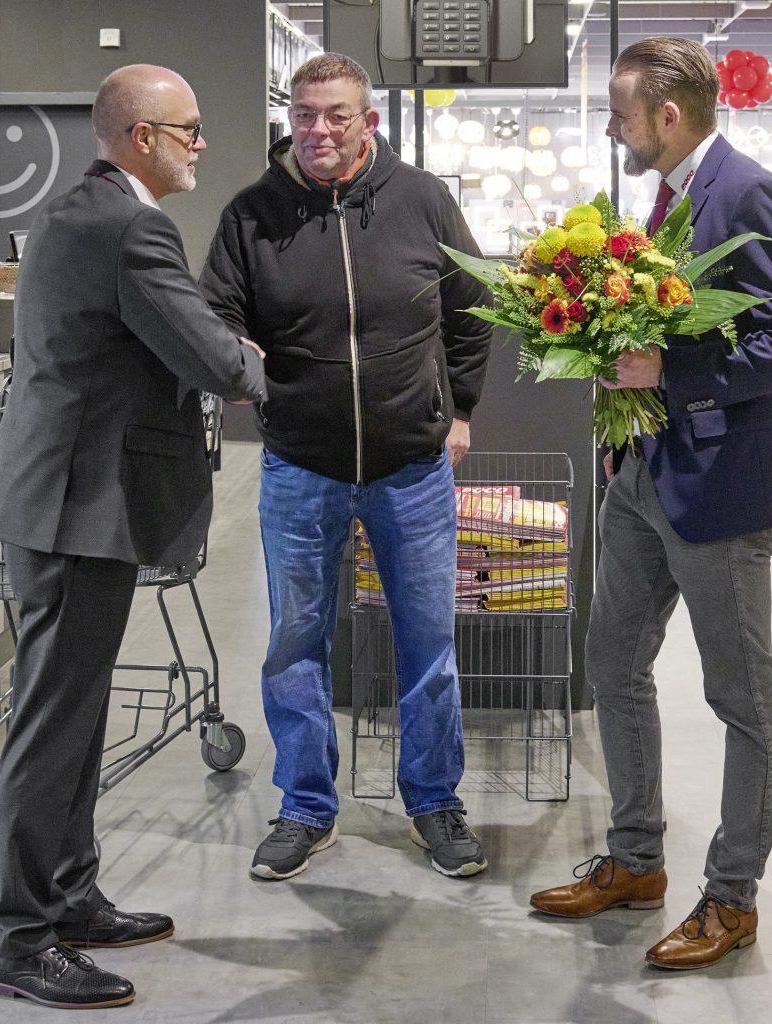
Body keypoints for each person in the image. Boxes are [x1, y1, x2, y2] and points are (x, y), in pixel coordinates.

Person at [529, 37, 772, 970]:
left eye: (620, 111)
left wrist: (675, 373)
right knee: (611, 665)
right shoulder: (665, 199)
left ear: (667, 114)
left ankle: (731, 898)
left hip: (723, 488)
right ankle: (637, 858)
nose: (612, 126)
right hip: (642, 477)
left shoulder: (746, 191)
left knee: (741, 698)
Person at [0, 64, 267, 1009]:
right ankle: (22, 940)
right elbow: (212, 356)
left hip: (67, 502)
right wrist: (245, 363)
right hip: (75, 507)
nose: (200, 145)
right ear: (141, 136)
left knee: (75, 715)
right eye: (188, 129)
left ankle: (67, 898)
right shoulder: (130, 227)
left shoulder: (84, 211)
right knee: (53, 725)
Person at [200, 52, 492, 882]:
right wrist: (246, 367)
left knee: (429, 642)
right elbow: (215, 310)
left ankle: (434, 800)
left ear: (368, 121)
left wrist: (459, 408)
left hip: (412, 468)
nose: (319, 128)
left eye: (336, 114)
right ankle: (305, 806)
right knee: (295, 643)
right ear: (288, 116)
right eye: (304, 112)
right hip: (300, 467)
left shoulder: (422, 200)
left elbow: (473, 312)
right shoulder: (252, 214)